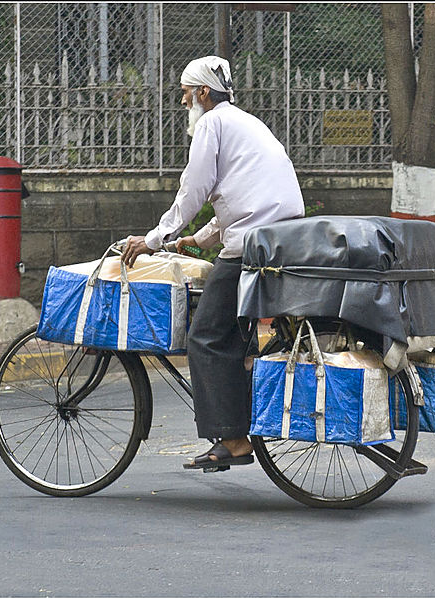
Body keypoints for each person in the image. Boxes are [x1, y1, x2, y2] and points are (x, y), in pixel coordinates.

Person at [121, 56, 304, 471]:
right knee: (232, 339)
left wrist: (154, 239)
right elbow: (241, 197)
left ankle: (235, 440)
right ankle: (240, 427)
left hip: (252, 245)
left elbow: (195, 189)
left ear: (203, 92)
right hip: (277, 237)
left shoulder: (210, 125)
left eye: (187, 92)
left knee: (203, 336)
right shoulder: (244, 122)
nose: (183, 100)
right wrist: (195, 239)